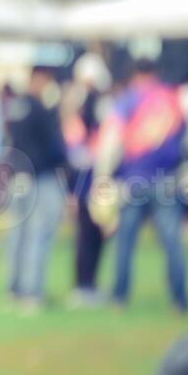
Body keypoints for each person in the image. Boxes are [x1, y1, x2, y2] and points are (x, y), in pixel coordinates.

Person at [102, 59, 188, 314]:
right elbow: (186, 139)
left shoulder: (128, 100)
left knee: (125, 241)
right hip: (166, 179)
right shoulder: (173, 99)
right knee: (172, 240)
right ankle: (179, 299)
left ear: (135, 75)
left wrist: (106, 176)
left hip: (133, 179)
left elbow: (112, 140)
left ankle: (119, 297)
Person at [3, 66, 70, 314]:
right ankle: (31, 291)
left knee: (18, 235)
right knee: (37, 235)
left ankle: (14, 289)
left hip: (16, 174)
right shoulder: (40, 109)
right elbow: (52, 146)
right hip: (38, 175)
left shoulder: (15, 106)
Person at [66, 60, 113, 308]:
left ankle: (87, 284)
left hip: (92, 177)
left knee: (92, 234)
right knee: (88, 235)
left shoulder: (90, 107)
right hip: (89, 178)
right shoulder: (87, 108)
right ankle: (84, 285)